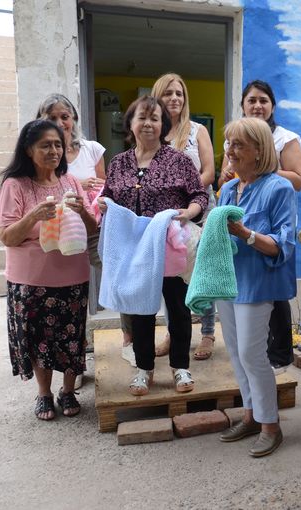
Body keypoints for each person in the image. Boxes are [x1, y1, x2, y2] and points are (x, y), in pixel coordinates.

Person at [98, 96, 208, 396]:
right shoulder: (119, 163)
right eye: (142, 117)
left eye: (155, 118)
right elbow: (107, 197)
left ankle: (180, 366)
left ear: (164, 125)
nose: (148, 123)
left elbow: (200, 195)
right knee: (140, 310)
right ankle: (144, 369)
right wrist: (104, 206)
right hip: (135, 250)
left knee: (178, 308)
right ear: (130, 123)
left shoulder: (179, 161)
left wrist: (189, 212)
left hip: (170, 247)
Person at [0, 119, 97, 420]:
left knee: (71, 337)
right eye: (45, 145)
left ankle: (68, 391)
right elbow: (6, 235)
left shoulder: (71, 182)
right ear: (29, 150)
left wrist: (83, 212)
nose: (54, 151)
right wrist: (33, 216)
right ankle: (44, 394)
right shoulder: (15, 186)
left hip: (72, 276)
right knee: (39, 339)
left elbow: (92, 228)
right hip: (30, 280)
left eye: (57, 145)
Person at [216, 117, 297, 457]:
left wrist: (245, 234)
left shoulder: (279, 188)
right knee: (236, 353)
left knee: (252, 353)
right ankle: (250, 415)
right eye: (229, 144)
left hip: (257, 284)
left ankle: (270, 425)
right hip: (228, 282)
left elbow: (284, 244)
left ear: (259, 151)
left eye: (238, 145)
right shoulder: (227, 189)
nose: (230, 152)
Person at [219, 80, 301, 374]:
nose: (257, 105)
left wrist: (260, 168)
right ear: (242, 105)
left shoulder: (285, 138)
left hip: (270, 218)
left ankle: (280, 356)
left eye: (263, 100)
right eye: (251, 100)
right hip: (242, 240)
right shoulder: (235, 146)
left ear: (272, 106)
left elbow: (297, 178)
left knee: (273, 293)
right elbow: (225, 177)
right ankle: (255, 407)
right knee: (242, 347)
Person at [36, 93, 109, 382]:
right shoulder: (43, 150)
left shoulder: (91, 149)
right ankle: (72, 362)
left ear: (74, 119)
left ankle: (127, 342)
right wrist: (79, 183)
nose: (59, 122)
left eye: (64, 116)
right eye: (51, 117)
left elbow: (104, 186)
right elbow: (45, 183)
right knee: (67, 298)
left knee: (111, 279)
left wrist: (89, 190)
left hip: (91, 224)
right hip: (58, 230)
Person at [150, 73, 217, 361]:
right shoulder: (153, 132)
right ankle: (174, 332)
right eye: (168, 93)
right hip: (170, 217)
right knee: (173, 274)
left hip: (200, 211)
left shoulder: (196, 130)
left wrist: (188, 199)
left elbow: (210, 172)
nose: (175, 98)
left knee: (202, 272)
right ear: (158, 97)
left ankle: (207, 332)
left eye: (179, 93)